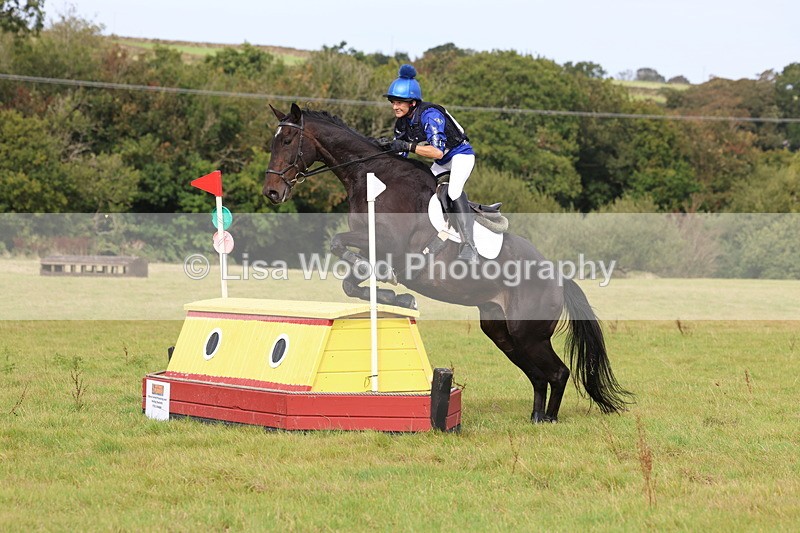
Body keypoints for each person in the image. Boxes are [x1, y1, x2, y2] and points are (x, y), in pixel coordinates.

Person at [382, 64, 478, 263]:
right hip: (442, 161)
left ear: (413, 103)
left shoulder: (430, 115)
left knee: (453, 192)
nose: (395, 107)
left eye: (400, 103)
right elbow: (401, 155)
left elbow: (435, 151)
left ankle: (470, 246)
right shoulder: (402, 121)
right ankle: (437, 232)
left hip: (461, 156)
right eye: (393, 102)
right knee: (418, 186)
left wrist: (408, 146)